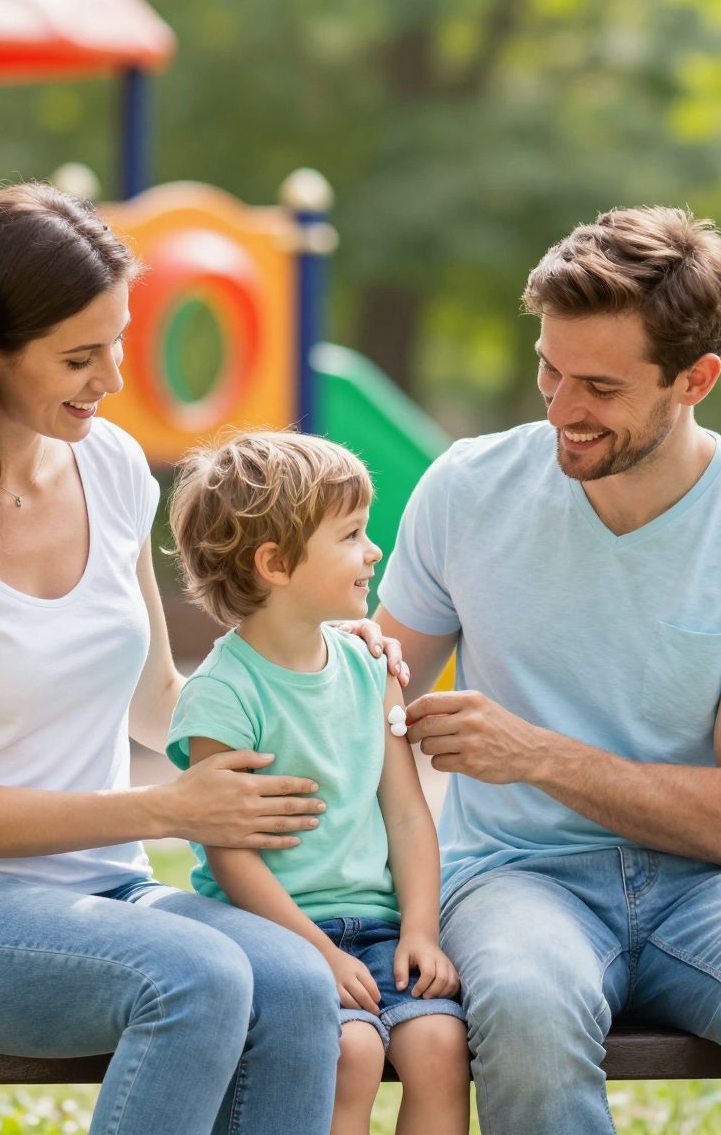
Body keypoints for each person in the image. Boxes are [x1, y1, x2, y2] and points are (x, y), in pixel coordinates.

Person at [0, 182, 404, 1135]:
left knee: (296, 981)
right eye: (79, 357)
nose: (114, 377)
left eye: (118, 341)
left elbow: (161, 701)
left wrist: (323, 659)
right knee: (200, 976)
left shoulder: (115, 467)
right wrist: (163, 808)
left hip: (108, 893)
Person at [373, 206, 721, 1134]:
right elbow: (363, 696)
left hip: (714, 889)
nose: (561, 410)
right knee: (522, 1003)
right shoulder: (467, 490)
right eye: (549, 371)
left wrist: (537, 756)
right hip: (516, 877)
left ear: (696, 379)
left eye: (599, 386)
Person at [164, 431, 468, 1135]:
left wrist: (421, 930)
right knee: (352, 1052)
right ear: (275, 563)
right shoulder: (222, 695)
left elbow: (408, 816)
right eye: (353, 535)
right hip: (282, 936)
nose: (375, 551)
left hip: (384, 931)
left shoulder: (371, 670)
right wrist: (318, 952)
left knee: (439, 1046)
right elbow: (230, 855)